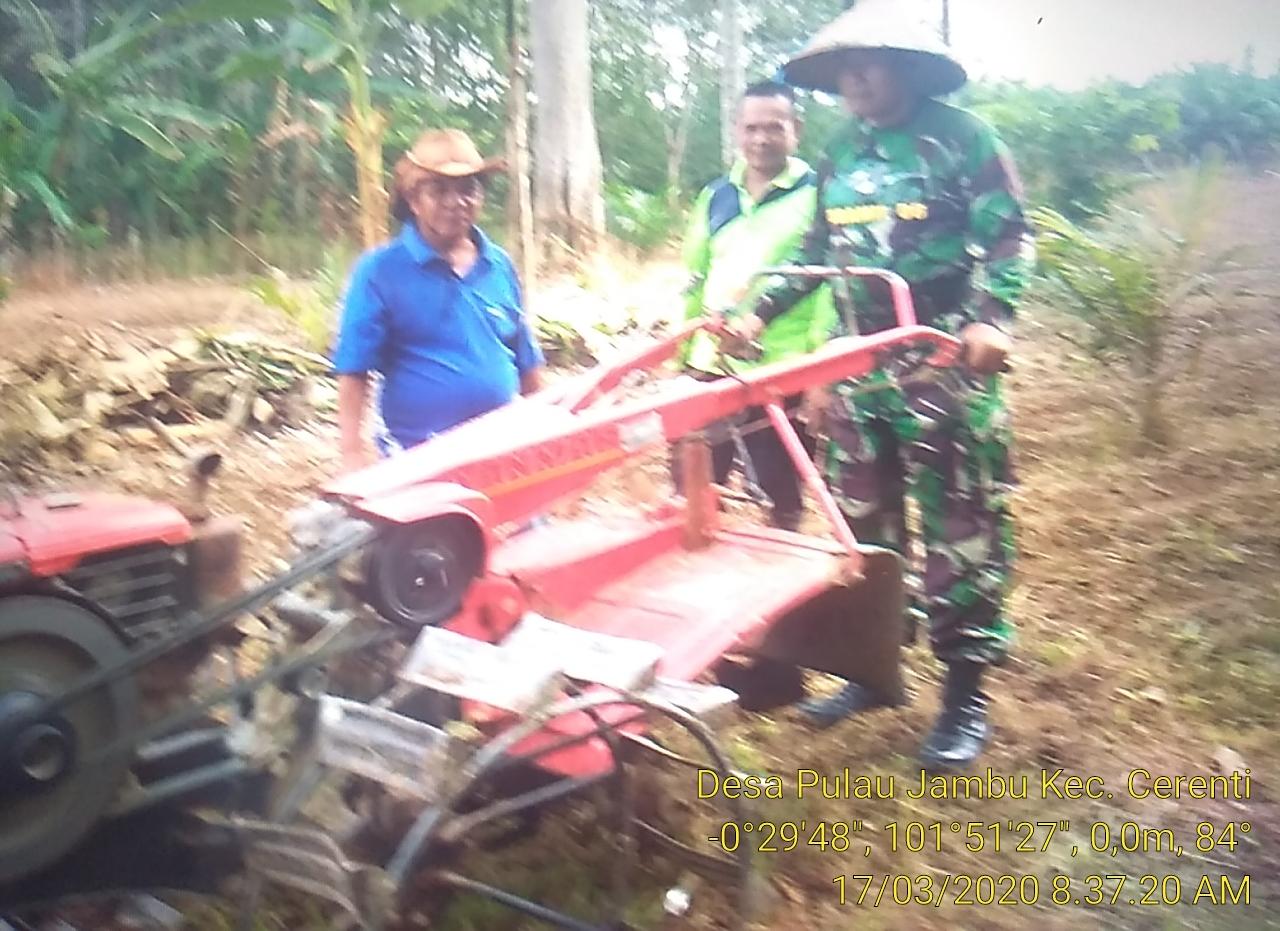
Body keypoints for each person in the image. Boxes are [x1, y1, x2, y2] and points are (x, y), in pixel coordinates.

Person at [731, 2, 1035, 771]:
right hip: (864, 369)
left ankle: (964, 696)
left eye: (864, 65)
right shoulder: (841, 152)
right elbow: (816, 249)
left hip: (942, 362)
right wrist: (757, 314)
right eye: (841, 70)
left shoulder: (963, 140)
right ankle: (872, 673)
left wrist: (993, 318)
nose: (851, 81)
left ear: (904, 66)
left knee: (960, 532)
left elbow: (1008, 233)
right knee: (865, 528)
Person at [333, 129, 545, 473]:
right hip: (419, 455)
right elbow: (354, 368)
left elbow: (525, 358)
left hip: (503, 449)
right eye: (439, 190)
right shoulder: (380, 271)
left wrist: (547, 433)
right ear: (414, 200)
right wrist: (352, 454)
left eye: (468, 190)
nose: (455, 201)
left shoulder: (499, 265)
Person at [674, 81, 836, 531]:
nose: (761, 139)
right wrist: (682, 356)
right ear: (737, 131)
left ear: (795, 129)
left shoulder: (816, 194)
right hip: (711, 364)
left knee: (780, 495)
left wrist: (822, 368)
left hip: (782, 370)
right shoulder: (717, 195)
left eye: (774, 127)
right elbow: (695, 275)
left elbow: (826, 284)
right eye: (751, 129)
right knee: (693, 490)